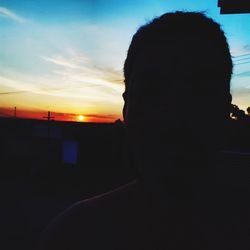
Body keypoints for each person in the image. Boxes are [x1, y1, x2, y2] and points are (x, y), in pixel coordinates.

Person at [39, 12, 248, 250]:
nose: (173, 116)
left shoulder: (78, 231)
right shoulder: (73, 235)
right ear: (126, 107)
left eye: (198, 92)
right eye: (150, 92)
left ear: (224, 107)